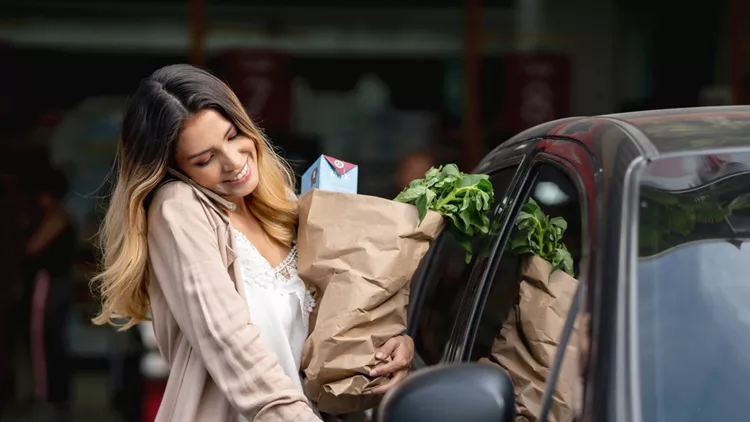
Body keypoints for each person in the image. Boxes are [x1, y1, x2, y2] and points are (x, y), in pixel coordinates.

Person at [90, 64, 414, 422]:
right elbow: (228, 340)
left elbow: (336, 324)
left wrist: (391, 343)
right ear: (176, 169)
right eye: (205, 159)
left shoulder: (287, 207)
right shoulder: (179, 208)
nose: (233, 162)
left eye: (232, 136)